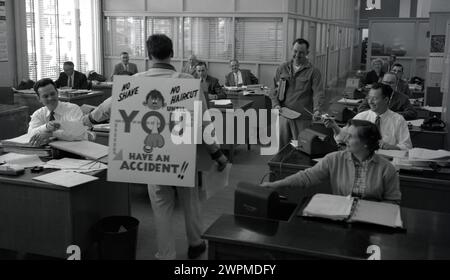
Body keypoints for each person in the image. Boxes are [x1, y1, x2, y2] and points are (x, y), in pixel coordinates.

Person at [83, 34, 228, 260]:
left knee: (160, 206)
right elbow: (203, 122)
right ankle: (196, 244)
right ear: (171, 53)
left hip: (151, 157)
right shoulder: (188, 81)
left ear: (148, 55)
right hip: (183, 155)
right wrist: (216, 153)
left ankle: (166, 253)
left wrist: (89, 119)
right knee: (190, 201)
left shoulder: (136, 80)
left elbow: (107, 106)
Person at [262, 120, 401, 204]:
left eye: (351, 136)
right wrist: (275, 184)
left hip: (373, 221)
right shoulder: (334, 159)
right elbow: (306, 177)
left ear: (366, 143)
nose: (345, 139)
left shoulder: (386, 169)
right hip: (341, 216)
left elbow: (393, 201)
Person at [271, 38, 326, 150]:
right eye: (295, 51)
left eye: (301, 52)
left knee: (302, 148)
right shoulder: (282, 68)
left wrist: (317, 110)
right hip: (284, 115)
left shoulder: (313, 71)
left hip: (302, 118)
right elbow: (274, 90)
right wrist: (276, 104)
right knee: (281, 149)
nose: (297, 55)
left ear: (307, 53)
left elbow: (318, 92)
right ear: (292, 50)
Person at [326, 83, 412, 151]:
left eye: (374, 98)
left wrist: (391, 147)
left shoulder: (398, 120)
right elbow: (343, 138)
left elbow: (407, 147)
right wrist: (334, 126)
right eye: (369, 98)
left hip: (387, 161)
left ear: (386, 100)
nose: (370, 102)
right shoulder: (362, 116)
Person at [28, 78, 87, 146]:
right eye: (45, 96)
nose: (50, 98)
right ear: (39, 99)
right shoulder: (38, 114)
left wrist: (52, 134)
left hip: (76, 149)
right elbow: (30, 134)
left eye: (52, 94)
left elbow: (79, 133)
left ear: (57, 92)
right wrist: (46, 127)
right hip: (50, 151)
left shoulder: (73, 109)